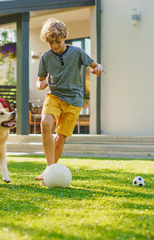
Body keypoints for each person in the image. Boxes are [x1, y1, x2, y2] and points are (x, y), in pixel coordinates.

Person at [34, 18, 106, 186]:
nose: (55, 46)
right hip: (55, 96)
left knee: (60, 138)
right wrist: (41, 84)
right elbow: (39, 81)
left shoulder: (77, 52)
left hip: (74, 100)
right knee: (45, 122)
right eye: (51, 43)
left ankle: (48, 171)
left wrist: (98, 69)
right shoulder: (45, 57)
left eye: (57, 42)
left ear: (65, 37)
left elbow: (95, 65)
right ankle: (50, 169)